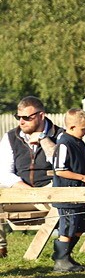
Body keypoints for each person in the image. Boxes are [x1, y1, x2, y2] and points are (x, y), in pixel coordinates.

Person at [0, 97, 64, 259]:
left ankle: (63, 254)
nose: (22, 122)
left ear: (41, 115)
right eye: (18, 117)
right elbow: (4, 173)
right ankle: (0, 248)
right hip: (22, 194)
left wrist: (44, 140)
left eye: (27, 117)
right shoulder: (10, 137)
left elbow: (60, 164)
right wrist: (28, 191)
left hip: (52, 193)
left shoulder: (61, 135)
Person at [49, 109, 85, 272]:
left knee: (83, 225)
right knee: (68, 226)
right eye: (84, 129)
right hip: (67, 194)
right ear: (71, 127)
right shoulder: (64, 144)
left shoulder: (80, 143)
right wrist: (83, 177)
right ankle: (60, 260)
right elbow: (60, 170)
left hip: (80, 194)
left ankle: (65, 256)